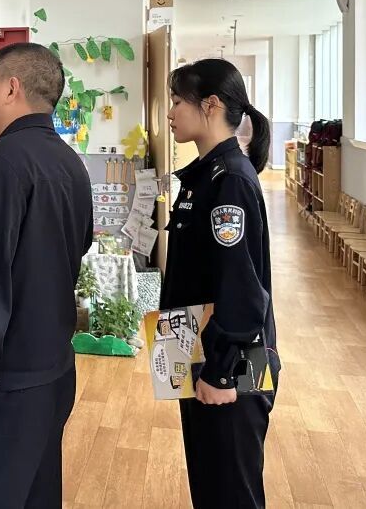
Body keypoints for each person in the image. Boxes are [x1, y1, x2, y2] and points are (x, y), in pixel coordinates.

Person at [0, 42, 93, 508]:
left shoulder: (4, 162)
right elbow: (80, 246)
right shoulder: (72, 163)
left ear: (11, 89)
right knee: (38, 494)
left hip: (6, 383)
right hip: (55, 368)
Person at [161, 58, 281, 509]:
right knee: (210, 486)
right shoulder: (206, 175)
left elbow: (243, 289)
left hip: (233, 364)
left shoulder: (229, 180)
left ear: (210, 105)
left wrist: (221, 371)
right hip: (198, 350)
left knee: (231, 492)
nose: (170, 112)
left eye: (177, 101)